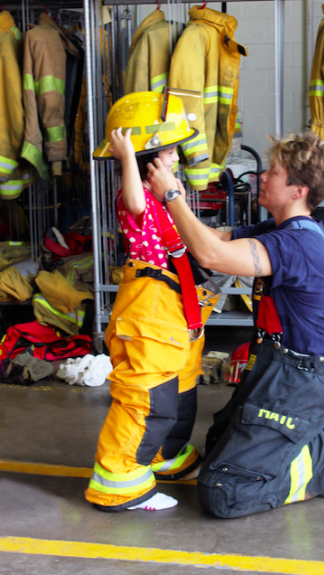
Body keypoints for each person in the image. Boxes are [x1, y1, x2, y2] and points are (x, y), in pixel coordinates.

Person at [147, 131, 324, 518]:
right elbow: (214, 238)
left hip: (301, 382)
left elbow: (211, 255)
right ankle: (300, 440)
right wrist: (164, 189)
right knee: (215, 446)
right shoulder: (281, 230)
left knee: (223, 493)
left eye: (273, 172)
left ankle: (322, 460)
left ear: (298, 189)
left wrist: (172, 197)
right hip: (277, 369)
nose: (263, 177)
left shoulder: (297, 243)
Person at [85, 91, 219, 512]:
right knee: (149, 396)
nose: (178, 156)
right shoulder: (135, 199)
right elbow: (136, 201)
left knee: (180, 390)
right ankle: (119, 480)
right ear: (148, 157)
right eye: (172, 149)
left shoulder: (167, 195)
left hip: (177, 309)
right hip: (150, 310)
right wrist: (127, 157)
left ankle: (165, 455)